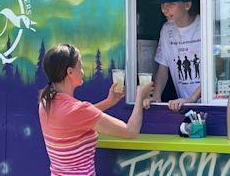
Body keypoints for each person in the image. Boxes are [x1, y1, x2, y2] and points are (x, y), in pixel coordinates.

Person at [38, 44, 152, 175]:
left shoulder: (46, 103)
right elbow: (131, 131)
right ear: (69, 72)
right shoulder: (77, 111)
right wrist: (140, 97)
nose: (82, 71)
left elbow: (76, 119)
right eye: (80, 66)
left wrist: (108, 102)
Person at [143, 0, 201, 112]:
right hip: (183, 105)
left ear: (187, 5)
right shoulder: (166, 29)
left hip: (207, 102)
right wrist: (156, 97)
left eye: (171, 4)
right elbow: (163, 68)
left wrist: (191, 99)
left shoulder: (204, 26)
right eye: (163, 4)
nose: (164, 9)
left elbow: (217, 70)